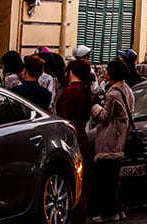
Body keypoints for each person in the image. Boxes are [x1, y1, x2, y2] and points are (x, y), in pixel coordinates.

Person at [90, 59, 134, 223]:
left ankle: (108, 212)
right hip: (121, 137)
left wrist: (95, 107)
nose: (105, 73)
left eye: (108, 70)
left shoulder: (113, 94)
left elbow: (104, 116)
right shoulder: (127, 90)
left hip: (110, 140)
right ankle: (118, 209)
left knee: (106, 179)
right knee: (114, 179)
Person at [57, 59, 94, 224]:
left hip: (70, 136)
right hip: (82, 134)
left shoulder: (71, 91)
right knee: (82, 177)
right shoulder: (85, 91)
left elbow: (63, 114)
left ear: (71, 72)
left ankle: (71, 211)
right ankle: (80, 210)